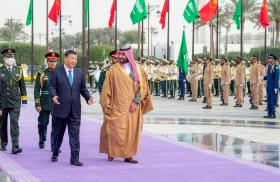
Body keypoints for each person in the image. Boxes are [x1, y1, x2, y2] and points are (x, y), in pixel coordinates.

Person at [99, 46, 153, 164]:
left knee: (132, 131)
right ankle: (111, 152)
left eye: (123, 55)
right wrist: (106, 104)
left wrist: (136, 101)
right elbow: (106, 88)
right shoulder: (113, 69)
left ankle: (129, 155)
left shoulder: (138, 69)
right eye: (120, 55)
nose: (121, 57)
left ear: (129, 55)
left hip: (133, 106)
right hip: (117, 104)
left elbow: (143, 87)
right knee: (113, 129)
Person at [48, 50, 94, 166]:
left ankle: (75, 158)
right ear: (65, 58)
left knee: (75, 136)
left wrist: (88, 97)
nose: (74, 61)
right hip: (60, 109)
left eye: (76, 59)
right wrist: (53, 96)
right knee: (58, 134)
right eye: (72, 58)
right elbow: (52, 86)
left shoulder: (78, 73)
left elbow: (82, 88)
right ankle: (55, 152)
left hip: (75, 110)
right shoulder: (57, 72)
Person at [0, 48, 27, 154]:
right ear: (3, 58)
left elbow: (22, 86)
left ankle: (15, 146)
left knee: (14, 123)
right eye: (7, 56)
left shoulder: (18, 70)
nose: (10, 58)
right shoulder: (0, 70)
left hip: (15, 102)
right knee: (2, 124)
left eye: (11, 56)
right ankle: (3, 143)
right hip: (2, 102)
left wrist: (24, 101)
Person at [34, 52, 58, 149]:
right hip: (45, 101)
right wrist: (37, 104)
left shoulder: (60, 73)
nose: (53, 63)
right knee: (43, 123)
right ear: (47, 62)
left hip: (57, 102)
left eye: (54, 61)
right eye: (50, 61)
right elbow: (37, 89)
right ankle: (42, 138)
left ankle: (54, 144)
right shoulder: (42, 74)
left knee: (56, 125)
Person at [263, 54, 279, 118]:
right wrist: (263, 78)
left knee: (273, 100)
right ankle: (269, 114)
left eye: (269, 58)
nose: (268, 59)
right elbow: (269, 76)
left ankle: (273, 114)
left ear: (273, 59)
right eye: (268, 58)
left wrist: (275, 87)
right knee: (269, 100)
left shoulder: (276, 67)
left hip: (273, 86)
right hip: (268, 86)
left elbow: (276, 77)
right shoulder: (269, 66)